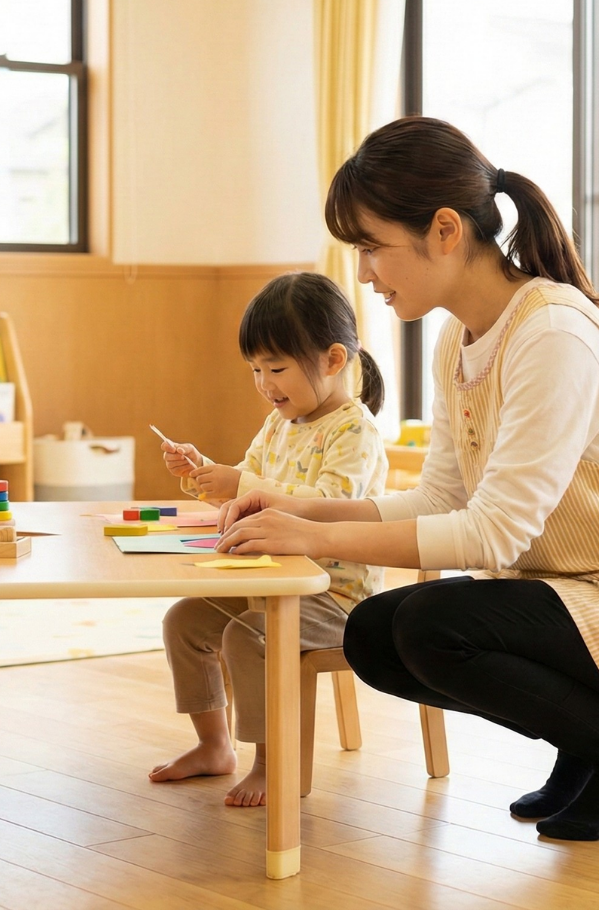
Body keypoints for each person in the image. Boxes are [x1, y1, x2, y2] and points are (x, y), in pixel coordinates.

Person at [214, 117, 599, 841]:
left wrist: (312, 531)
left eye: (371, 247)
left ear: (442, 230)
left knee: (431, 629)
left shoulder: (552, 333)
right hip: (575, 592)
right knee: (374, 634)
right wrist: (298, 504)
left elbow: (495, 533)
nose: (363, 273)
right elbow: (441, 498)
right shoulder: (457, 341)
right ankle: (585, 741)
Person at [149, 271, 390, 806]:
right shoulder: (279, 423)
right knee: (184, 620)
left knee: (250, 636)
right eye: (255, 369)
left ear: (332, 360)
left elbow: (328, 505)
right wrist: (204, 473)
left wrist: (242, 484)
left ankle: (271, 760)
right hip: (266, 580)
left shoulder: (355, 430)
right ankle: (214, 746)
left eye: (276, 368)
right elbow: (247, 492)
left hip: (332, 595)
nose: (264, 383)